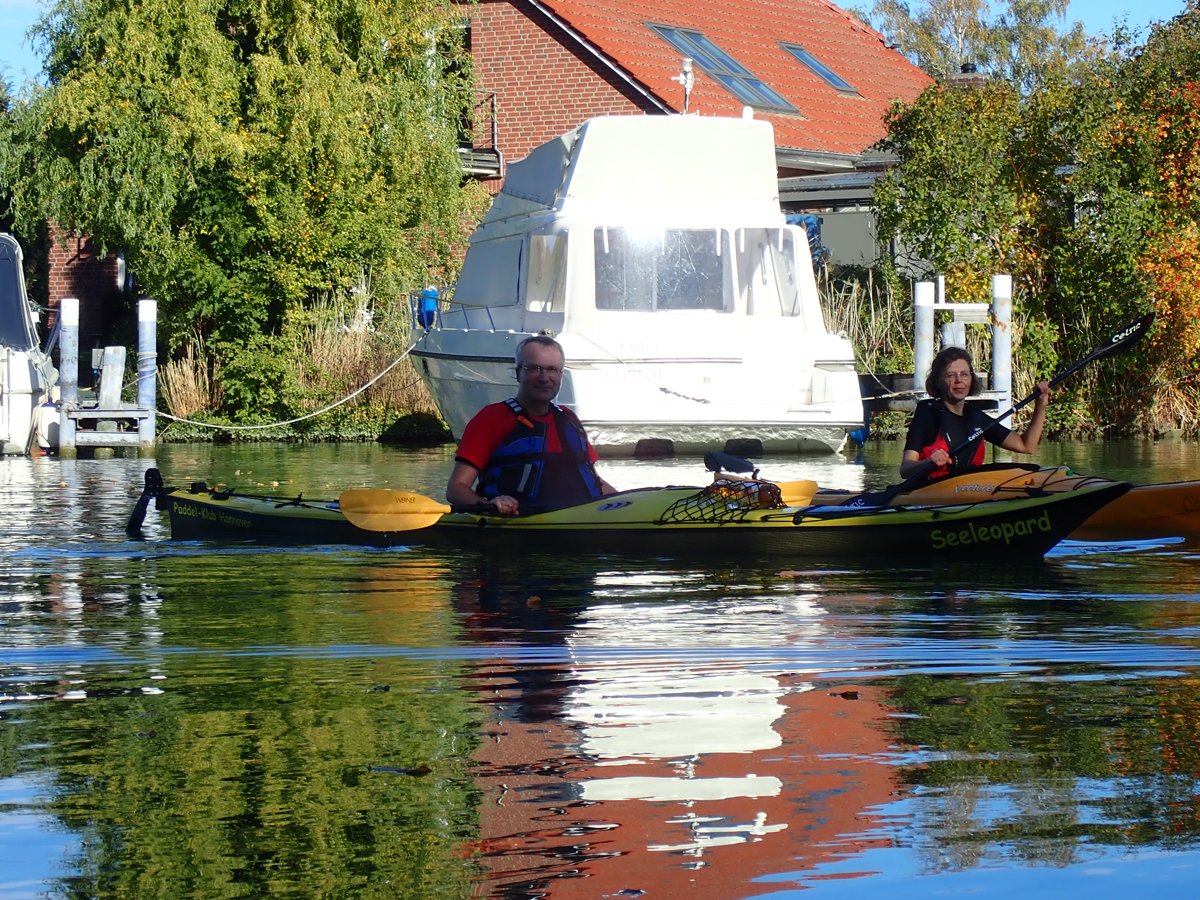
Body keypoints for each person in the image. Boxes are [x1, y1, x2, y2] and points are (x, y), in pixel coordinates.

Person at [446, 335, 617, 513]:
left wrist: (626, 502)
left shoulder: (568, 418)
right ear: (518, 373)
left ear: (560, 375)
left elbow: (595, 481)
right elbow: (456, 489)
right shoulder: (491, 418)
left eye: (552, 369)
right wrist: (489, 505)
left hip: (581, 518)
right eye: (535, 368)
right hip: (517, 519)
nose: (544, 378)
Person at [900, 346, 1050, 480]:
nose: (959, 380)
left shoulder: (977, 417)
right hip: (933, 490)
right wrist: (928, 462)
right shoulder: (927, 414)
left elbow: (1026, 446)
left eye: (964, 374)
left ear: (971, 380)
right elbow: (905, 469)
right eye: (951, 375)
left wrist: (1040, 404)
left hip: (971, 488)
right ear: (938, 381)